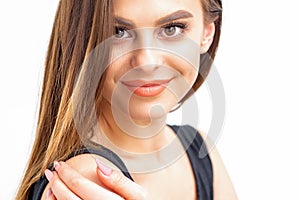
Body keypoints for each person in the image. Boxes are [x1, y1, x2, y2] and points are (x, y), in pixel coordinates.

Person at [16, 0, 237, 199]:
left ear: (207, 33)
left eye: (172, 29)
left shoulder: (200, 150)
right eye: (118, 32)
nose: (146, 61)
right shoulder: (88, 178)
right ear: (82, 43)